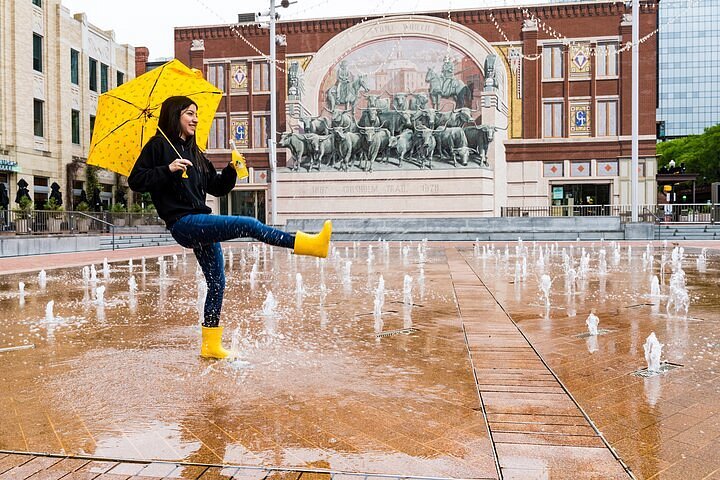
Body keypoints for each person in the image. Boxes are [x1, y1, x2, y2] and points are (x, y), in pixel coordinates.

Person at [128, 96, 332, 360]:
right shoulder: (158, 146)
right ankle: (307, 245)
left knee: (216, 283)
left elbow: (217, 187)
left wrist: (233, 169)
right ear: (174, 115)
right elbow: (136, 181)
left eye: (196, 114)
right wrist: (168, 169)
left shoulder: (195, 151)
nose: (195, 119)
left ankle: (210, 345)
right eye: (189, 113)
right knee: (249, 224)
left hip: (200, 223)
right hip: (183, 224)